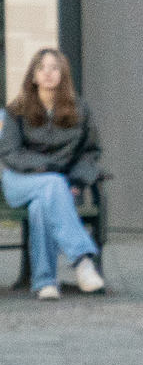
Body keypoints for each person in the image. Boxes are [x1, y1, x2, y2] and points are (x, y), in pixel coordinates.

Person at [2, 48, 108, 299]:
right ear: (33, 76)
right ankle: (82, 261)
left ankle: (44, 282)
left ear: (63, 74)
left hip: (56, 185)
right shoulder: (16, 110)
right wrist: (49, 169)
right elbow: (10, 153)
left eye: (54, 68)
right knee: (51, 184)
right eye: (41, 68)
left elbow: (90, 152)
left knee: (41, 206)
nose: (47, 73)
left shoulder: (79, 111)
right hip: (18, 180)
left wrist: (76, 181)